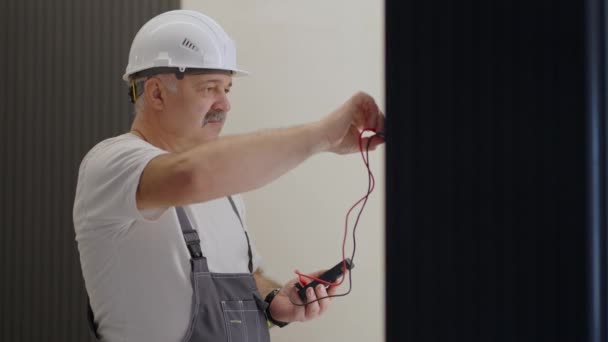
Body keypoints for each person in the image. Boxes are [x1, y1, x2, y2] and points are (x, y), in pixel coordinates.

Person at [73, 9, 384, 342]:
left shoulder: (225, 190)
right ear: (156, 93)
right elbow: (191, 177)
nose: (225, 104)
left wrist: (274, 298)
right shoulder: (112, 164)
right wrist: (322, 135)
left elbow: (244, 274)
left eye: (227, 88)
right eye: (209, 88)